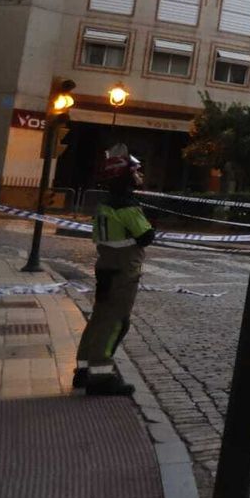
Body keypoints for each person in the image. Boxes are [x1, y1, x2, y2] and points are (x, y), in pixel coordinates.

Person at [74, 148, 154, 396]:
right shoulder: (127, 206)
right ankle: (101, 376)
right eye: (135, 171)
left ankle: (84, 369)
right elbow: (146, 236)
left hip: (105, 264)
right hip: (124, 269)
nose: (138, 175)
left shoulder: (105, 204)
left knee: (99, 317)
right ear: (124, 176)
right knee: (116, 321)